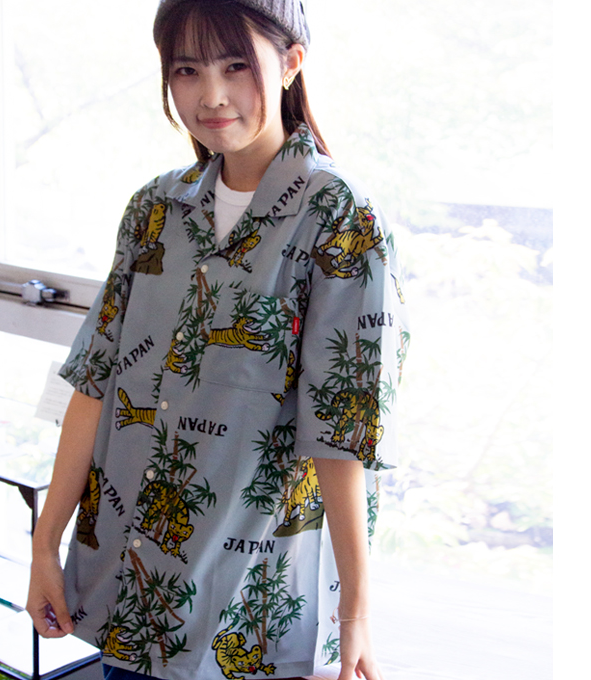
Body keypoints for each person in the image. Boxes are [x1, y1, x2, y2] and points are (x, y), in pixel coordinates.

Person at [26, 2, 410, 679]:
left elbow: (344, 431)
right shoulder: (152, 210)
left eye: (236, 66)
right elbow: (94, 383)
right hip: (126, 588)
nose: (211, 96)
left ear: (290, 63)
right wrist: (44, 546)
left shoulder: (339, 216)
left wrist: (354, 614)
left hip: (245, 617)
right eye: (186, 70)